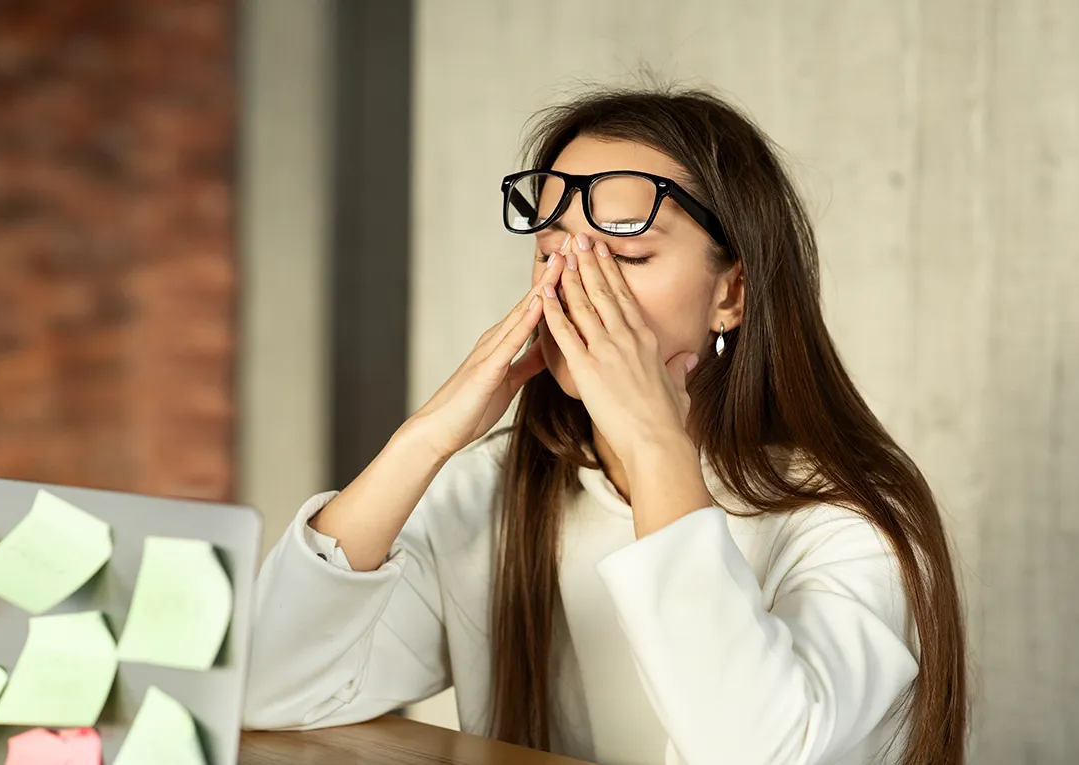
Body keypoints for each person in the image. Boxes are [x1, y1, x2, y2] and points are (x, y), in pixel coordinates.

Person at [242, 87, 967, 765]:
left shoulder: (844, 521)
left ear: (733, 293)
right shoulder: (488, 491)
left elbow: (752, 747)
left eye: (626, 254)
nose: (574, 283)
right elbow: (267, 692)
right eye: (552, 251)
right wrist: (423, 440)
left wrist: (656, 445)